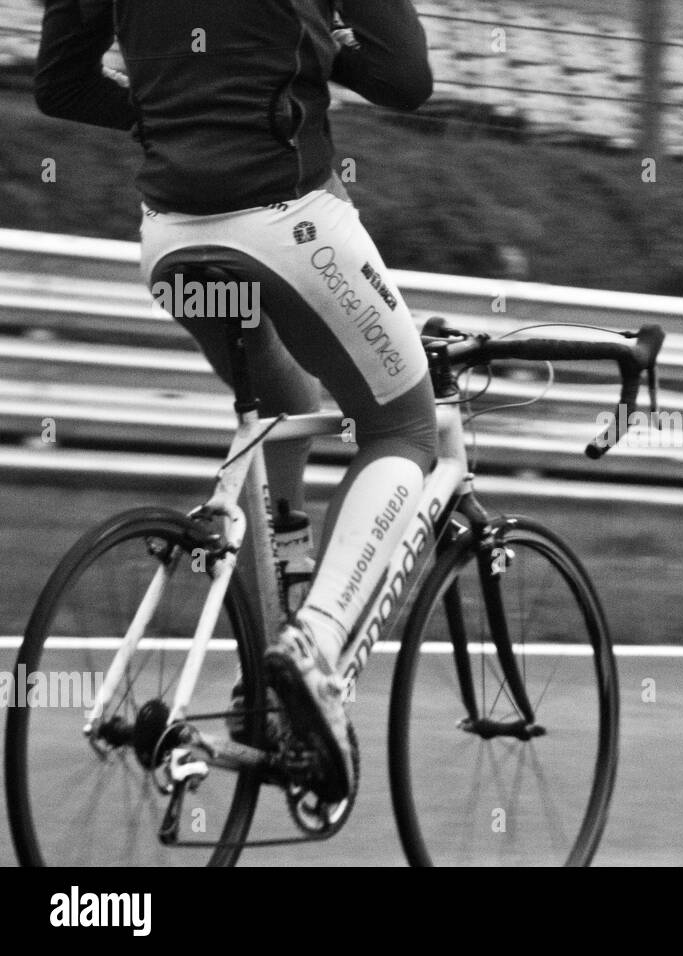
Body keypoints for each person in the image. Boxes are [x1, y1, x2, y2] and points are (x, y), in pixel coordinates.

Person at [35, 0, 438, 802]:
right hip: (290, 223)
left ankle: (272, 649)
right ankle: (316, 648)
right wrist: (324, 46)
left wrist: (168, 112)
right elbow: (405, 80)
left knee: (281, 403)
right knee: (401, 425)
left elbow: (59, 85)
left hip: (174, 235)